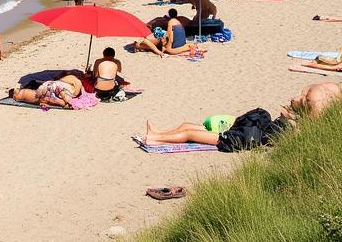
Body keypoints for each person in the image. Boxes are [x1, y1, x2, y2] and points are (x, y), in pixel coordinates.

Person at [141, 81, 341, 150]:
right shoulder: (329, 94)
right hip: (261, 129)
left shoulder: (321, 95)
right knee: (187, 125)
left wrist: (290, 119)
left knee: (190, 133)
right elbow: (311, 129)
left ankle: (156, 138)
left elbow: (308, 132)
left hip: (250, 135)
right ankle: (158, 132)